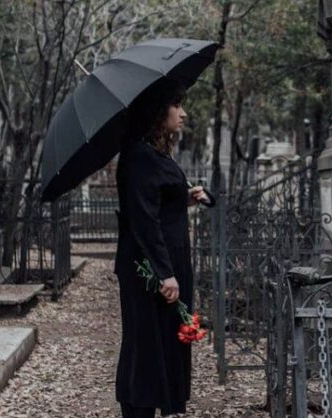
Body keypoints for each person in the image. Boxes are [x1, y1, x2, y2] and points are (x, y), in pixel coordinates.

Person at [114, 81, 211, 418]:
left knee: (165, 342)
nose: (183, 113)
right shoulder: (140, 156)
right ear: (158, 111)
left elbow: (157, 202)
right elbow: (144, 219)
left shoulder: (153, 154)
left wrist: (185, 198)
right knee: (146, 345)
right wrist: (164, 273)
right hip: (151, 269)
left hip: (167, 262)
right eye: (176, 106)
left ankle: (163, 405)